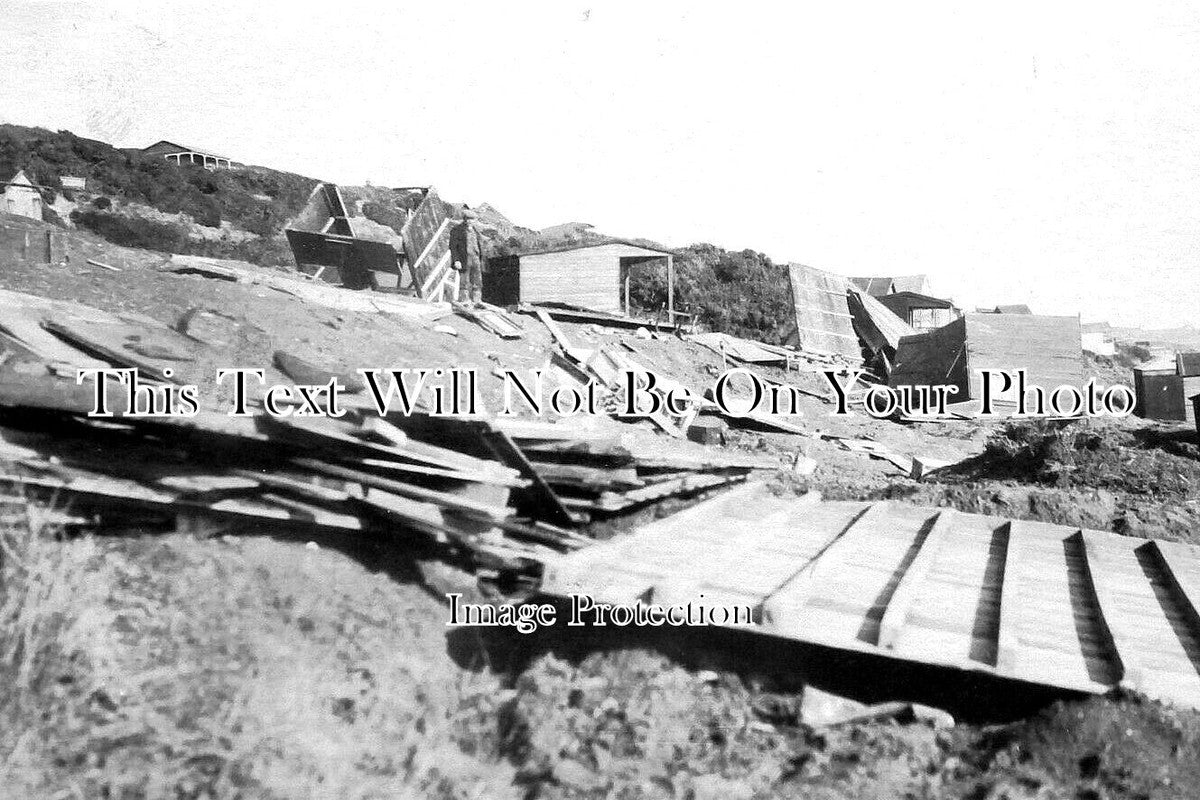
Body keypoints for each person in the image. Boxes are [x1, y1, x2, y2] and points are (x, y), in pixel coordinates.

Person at [449, 207, 486, 304]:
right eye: (468, 219)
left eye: (472, 219)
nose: (470, 221)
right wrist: (456, 260)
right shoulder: (457, 230)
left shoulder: (476, 231)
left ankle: (477, 300)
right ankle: (464, 300)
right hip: (464, 258)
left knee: (477, 280)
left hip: (476, 258)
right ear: (464, 219)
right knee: (464, 281)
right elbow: (453, 247)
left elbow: (480, 245)